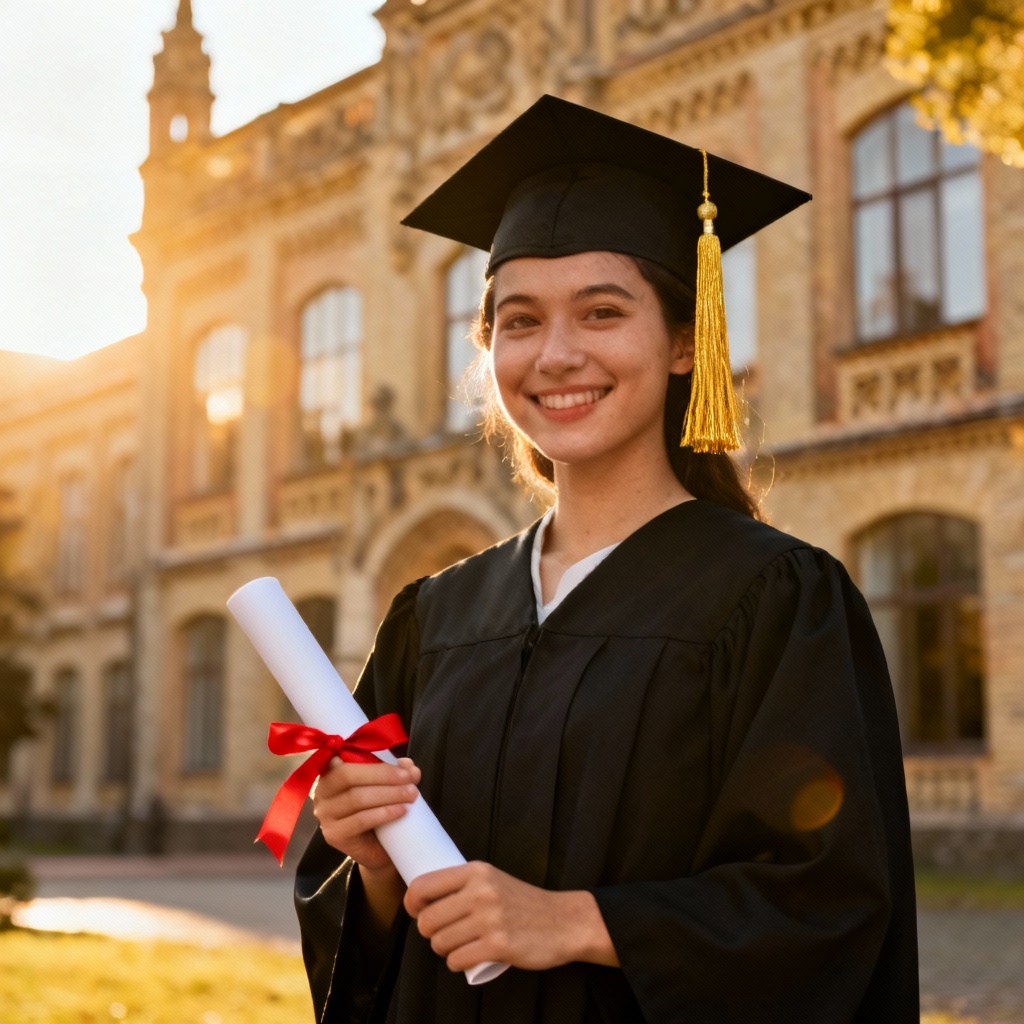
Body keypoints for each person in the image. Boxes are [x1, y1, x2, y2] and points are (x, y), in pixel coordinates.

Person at [294, 95, 919, 1023]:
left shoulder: (776, 600)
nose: (555, 355)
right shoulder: (435, 617)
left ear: (681, 342)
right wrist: (376, 866)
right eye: (518, 320)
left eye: (600, 312)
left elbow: (830, 906)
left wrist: (580, 923)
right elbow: (373, 948)